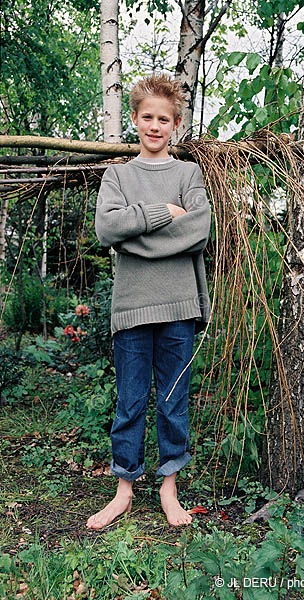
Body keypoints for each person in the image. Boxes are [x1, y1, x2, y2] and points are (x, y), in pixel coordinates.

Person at [86, 73, 211, 529]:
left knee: (173, 400)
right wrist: (162, 214)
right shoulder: (117, 176)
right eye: (147, 117)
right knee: (131, 401)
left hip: (179, 305)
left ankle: (168, 488)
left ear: (176, 124)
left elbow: (198, 232)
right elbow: (107, 230)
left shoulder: (189, 173)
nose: (155, 126)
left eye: (164, 119)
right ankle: (124, 490)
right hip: (132, 306)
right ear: (135, 120)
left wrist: (136, 237)